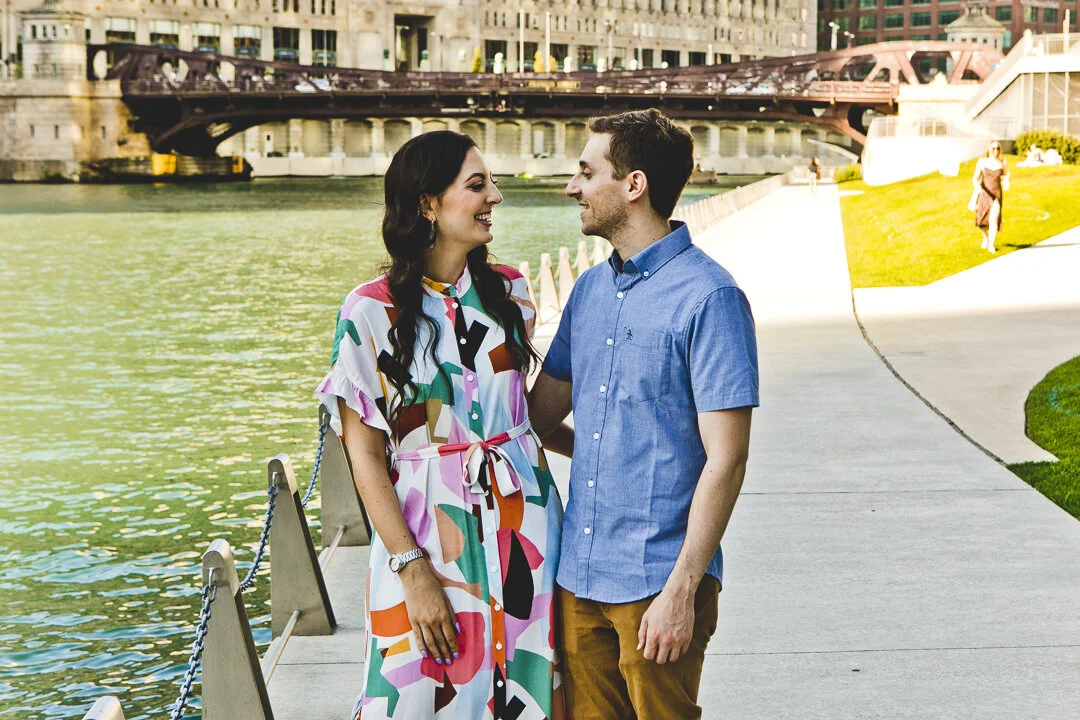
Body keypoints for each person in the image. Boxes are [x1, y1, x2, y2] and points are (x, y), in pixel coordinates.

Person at [315, 131, 566, 719]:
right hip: (426, 537)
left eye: (491, 183)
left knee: (530, 689)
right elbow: (364, 454)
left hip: (525, 533)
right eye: (477, 185)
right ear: (428, 204)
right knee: (419, 692)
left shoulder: (510, 293)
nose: (495, 197)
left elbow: (521, 417)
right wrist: (412, 570)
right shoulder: (370, 312)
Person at [528, 108, 759, 720]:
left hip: (659, 580)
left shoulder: (711, 298)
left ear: (634, 185)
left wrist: (682, 590)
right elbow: (536, 419)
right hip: (578, 578)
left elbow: (728, 459)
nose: (572, 187)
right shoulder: (588, 291)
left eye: (586, 172)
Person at [972, 141, 1009, 254]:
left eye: (998, 148)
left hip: (996, 194)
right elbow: (975, 178)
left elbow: (1005, 175)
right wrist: (977, 187)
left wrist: (1007, 182)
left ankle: (991, 245)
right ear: (989, 149)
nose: (995, 150)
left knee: (993, 219)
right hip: (984, 193)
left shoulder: (1002, 162)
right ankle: (986, 237)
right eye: (993, 148)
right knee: (981, 221)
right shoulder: (982, 161)